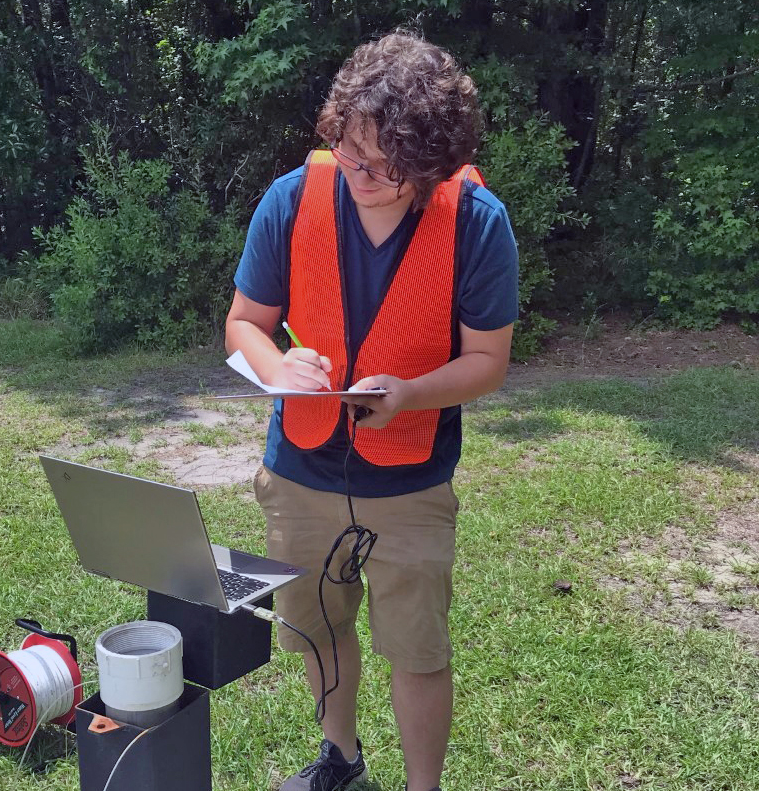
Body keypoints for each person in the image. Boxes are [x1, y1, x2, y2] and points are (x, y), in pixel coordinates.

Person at [224, 30, 518, 791]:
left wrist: (412, 394)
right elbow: (243, 323)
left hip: (412, 479)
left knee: (417, 649)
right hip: (299, 469)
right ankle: (341, 758)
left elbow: (488, 360)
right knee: (316, 628)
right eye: (350, 151)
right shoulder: (290, 198)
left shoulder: (480, 223)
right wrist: (277, 364)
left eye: (385, 167)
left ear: (433, 164)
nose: (360, 174)